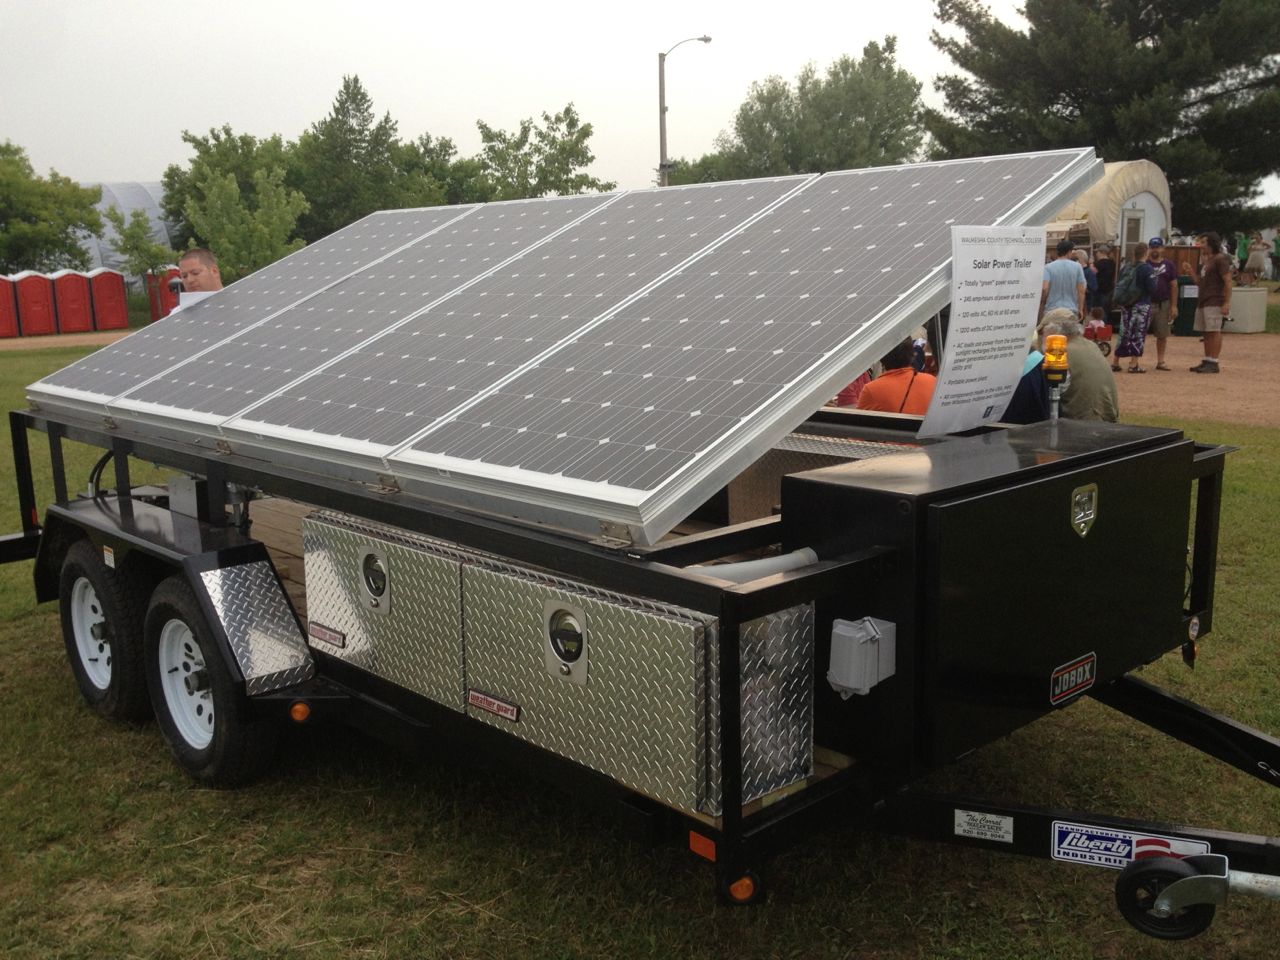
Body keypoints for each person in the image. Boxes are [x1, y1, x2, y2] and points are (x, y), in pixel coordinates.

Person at [1038, 308, 1118, 422]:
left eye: (1042, 333)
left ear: (1053, 331)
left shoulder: (1059, 352)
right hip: (1107, 419)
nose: (1041, 338)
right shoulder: (1091, 345)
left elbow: (1047, 393)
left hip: (1080, 425)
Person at [856, 338, 937, 414]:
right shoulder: (933, 382)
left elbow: (856, 422)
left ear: (881, 356)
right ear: (912, 354)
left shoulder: (871, 390)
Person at [1192, 232, 1232, 374]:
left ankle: (1214, 361)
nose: (1201, 245)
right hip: (1203, 300)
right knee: (1206, 332)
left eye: (1203, 242)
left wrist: (1226, 302)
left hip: (1214, 300)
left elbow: (1228, 281)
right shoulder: (1207, 261)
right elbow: (1199, 282)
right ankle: (1207, 359)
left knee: (1214, 331)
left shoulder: (1220, 259)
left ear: (1211, 243)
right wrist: (1190, 272)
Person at [1113, 242, 1155, 374]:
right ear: (1146, 253)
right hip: (1141, 304)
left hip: (1127, 304)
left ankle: (1115, 361)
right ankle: (1133, 363)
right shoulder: (1147, 269)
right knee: (1138, 332)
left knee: (1124, 332)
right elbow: (1152, 288)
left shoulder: (1126, 267)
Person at [1145, 239, 1178, 371]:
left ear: (1162, 249)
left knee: (1162, 334)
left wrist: (1173, 306)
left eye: (1157, 247)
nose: (1155, 250)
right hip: (1146, 302)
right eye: (1152, 247)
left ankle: (1160, 361)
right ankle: (1135, 360)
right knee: (1140, 332)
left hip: (1163, 303)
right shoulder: (1144, 264)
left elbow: (1174, 286)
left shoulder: (1169, 265)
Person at [1041, 239, 1086, 318]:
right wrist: (1080, 309)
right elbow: (1081, 290)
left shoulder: (1048, 267)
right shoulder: (1077, 267)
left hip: (1052, 310)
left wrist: (1043, 302)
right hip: (1070, 310)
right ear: (1069, 252)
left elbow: (1045, 288)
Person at [1092, 244, 1115, 313]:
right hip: (1109, 290)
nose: (1096, 254)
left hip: (1099, 291)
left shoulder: (1099, 264)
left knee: (1098, 312)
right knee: (1106, 311)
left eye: (1097, 252)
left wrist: (1091, 264)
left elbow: (1092, 273)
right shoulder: (1112, 263)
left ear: (1101, 253)